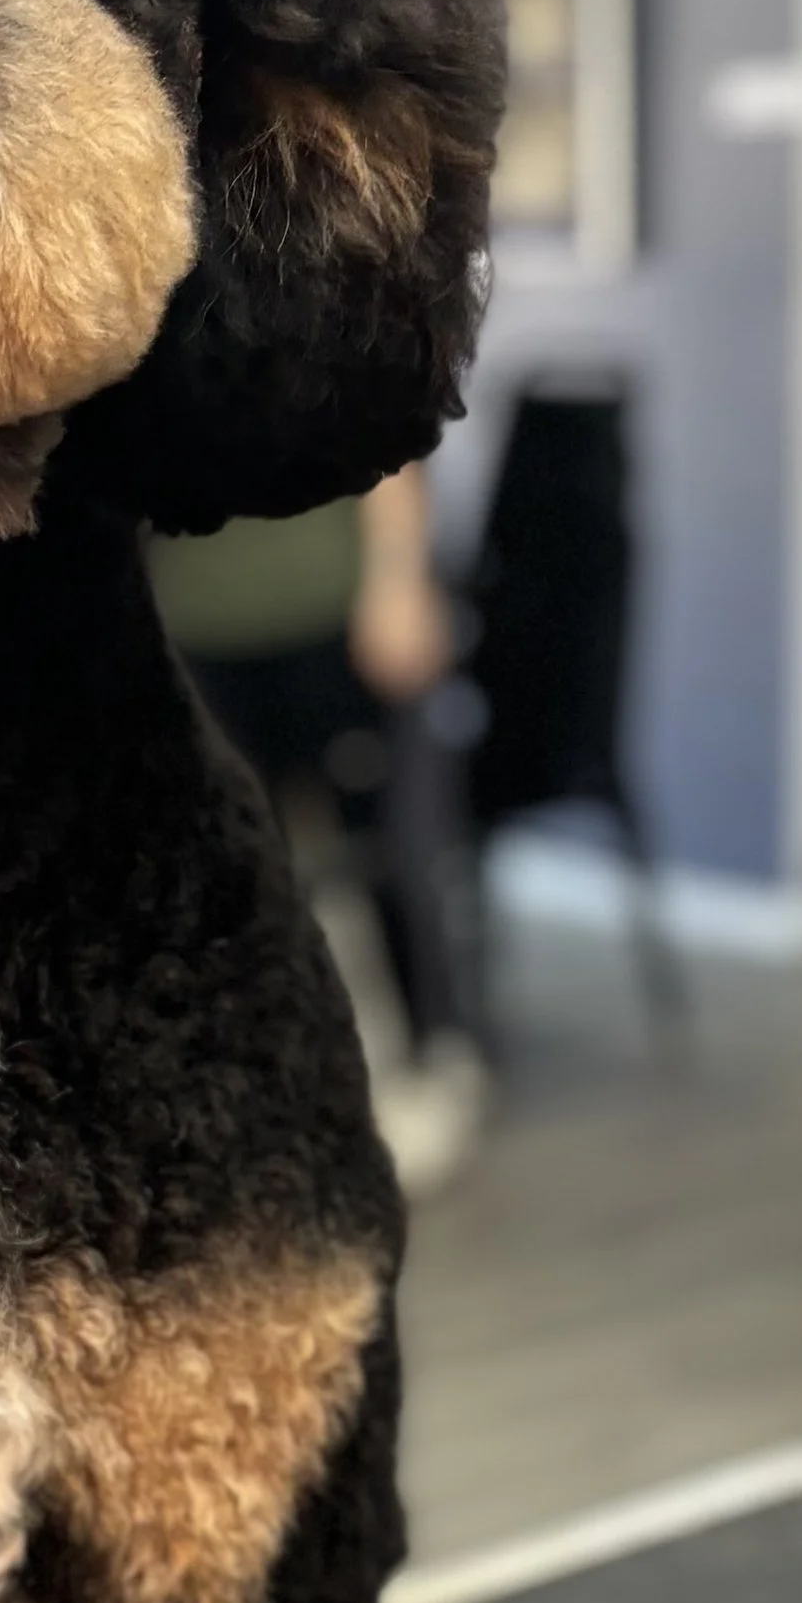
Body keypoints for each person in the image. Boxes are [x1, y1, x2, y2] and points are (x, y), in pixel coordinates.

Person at [154, 467, 489, 1195]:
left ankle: (431, 1060)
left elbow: (392, 445)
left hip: (335, 617)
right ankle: (272, 1090)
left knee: (381, 856)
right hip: (195, 634)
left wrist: (400, 582)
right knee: (235, 874)